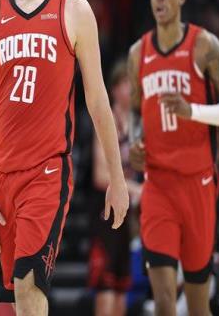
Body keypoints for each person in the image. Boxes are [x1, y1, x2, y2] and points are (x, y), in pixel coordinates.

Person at [0, 0, 129, 316]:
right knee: (18, 301)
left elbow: (98, 101)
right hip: (1, 174)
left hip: (46, 172)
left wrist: (117, 179)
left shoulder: (75, 11)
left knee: (30, 284)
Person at [127, 0, 219, 315]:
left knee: (197, 306)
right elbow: (135, 111)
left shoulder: (204, 45)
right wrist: (135, 142)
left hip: (198, 185)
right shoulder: (138, 53)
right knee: (163, 303)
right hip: (158, 186)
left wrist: (191, 111)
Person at [87, 60, 142, 316]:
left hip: (126, 212)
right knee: (106, 287)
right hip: (105, 210)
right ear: (115, 89)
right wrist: (134, 188)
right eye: (127, 84)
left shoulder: (137, 124)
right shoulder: (105, 119)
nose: (132, 89)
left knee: (122, 289)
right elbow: (100, 176)